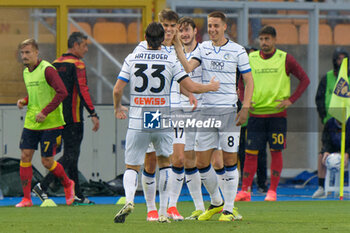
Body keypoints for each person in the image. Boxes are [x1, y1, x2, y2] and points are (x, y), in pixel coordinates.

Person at [112, 22, 219, 223]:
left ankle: (129, 200)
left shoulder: (132, 57)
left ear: (145, 36)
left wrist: (118, 107)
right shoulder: (171, 59)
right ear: (163, 39)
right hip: (162, 119)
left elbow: (117, 89)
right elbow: (191, 87)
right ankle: (163, 212)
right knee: (165, 164)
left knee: (132, 166)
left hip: (138, 119)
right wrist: (211, 87)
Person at [174, 11, 254, 221]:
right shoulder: (203, 48)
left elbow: (249, 81)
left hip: (228, 110)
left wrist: (245, 106)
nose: (212, 29)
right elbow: (188, 67)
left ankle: (229, 208)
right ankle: (217, 202)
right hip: (206, 112)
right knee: (201, 163)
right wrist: (176, 47)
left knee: (229, 160)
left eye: (216, 26)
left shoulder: (237, 50)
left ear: (225, 27)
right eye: (210, 26)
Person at [133, 9, 196, 222]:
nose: (169, 30)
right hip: (152, 110)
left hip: (176, 108)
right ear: (160, 25)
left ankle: (171, 206)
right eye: (166, 25)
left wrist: (190, 94)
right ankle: (151, 208)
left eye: (172, 26)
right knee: (151, 161)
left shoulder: (177, 48)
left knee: (178, 158)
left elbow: (185, 72)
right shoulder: (145, 46)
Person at [235, 25, 310, 202]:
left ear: (275, 40)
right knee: (250, 153)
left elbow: (304, 79)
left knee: (276, 152)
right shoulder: (251, 58)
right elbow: (240, 82)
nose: (264, 42)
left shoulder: (285, 58)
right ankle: (245, 190)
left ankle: (273, 191)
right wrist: (244, 99)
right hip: (255, 115)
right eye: (261, 39)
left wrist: (291, 100)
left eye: (267, 39)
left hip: (277, 116)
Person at [32, 32, 100, 205]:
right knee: (71, 155)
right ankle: (42, 185)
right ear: (75, 45)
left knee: (72, 157)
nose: (86, 49)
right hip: (74, 118)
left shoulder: (54, 64)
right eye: (84, 45)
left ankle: (76, 194)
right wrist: (93, 113)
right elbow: (83, 90)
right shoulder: (77, 64)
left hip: (56, 118)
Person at [15, 39, 75, 207]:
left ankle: (68, 184)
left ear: (36, 52)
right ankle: (26, 199)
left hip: (51, 122)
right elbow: (38, 94)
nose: (24, 56)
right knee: (25, 156)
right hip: (32, 121)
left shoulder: (47, 70)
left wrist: (45, 112)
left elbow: (62, 92)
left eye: (28, 52)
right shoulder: (26, 72)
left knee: (47, 162)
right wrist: (25, 101)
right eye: (22, 53)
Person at [237, 46, 268, 194]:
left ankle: (262, 183)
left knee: (261, 152)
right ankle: (244, 182)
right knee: (242, 152)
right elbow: (239, 89)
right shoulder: (239, 73)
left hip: (258, 117)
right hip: (243, 120)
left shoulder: (259, 72)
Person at [312, 117, 350, 198]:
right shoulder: (330, 123)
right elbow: (326, 139)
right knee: (321, 156)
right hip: (334, 148)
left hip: (348, 148)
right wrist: (327, 150)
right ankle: (322, 187)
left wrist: (347, 153)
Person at [316, 47, 349, 125]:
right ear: (335, 60)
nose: (341, 62)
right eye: (339, 59)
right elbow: (319, 99)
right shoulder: (327, 78)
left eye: (344, 59)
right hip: (330, 122)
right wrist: (324, 118)